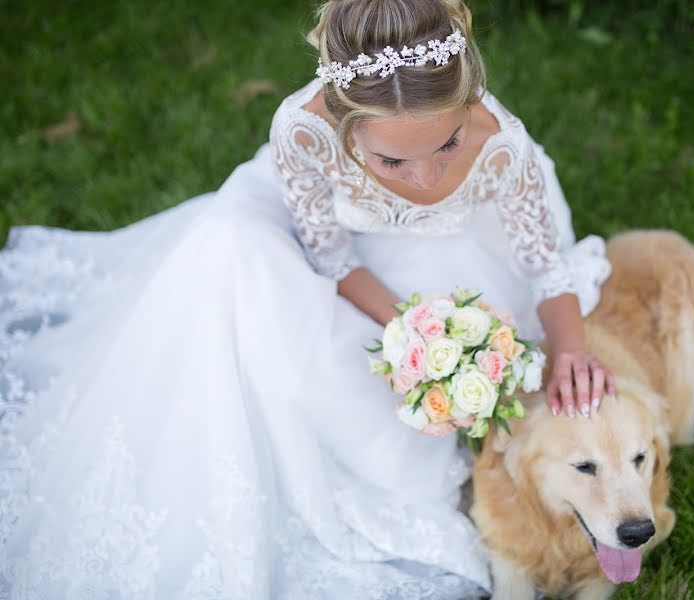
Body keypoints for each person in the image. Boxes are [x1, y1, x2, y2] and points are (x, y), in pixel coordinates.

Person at [0, 0, 614, 597]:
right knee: (227, 256)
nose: (425, 178)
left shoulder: (503, 144)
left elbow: (544, 266)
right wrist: (416, 331)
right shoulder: (303, 132)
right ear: (344, 128)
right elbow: (332, 256)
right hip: (317, 236)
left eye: (448, 145)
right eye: (393, 159)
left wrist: (570, 352)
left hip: (444, 248)